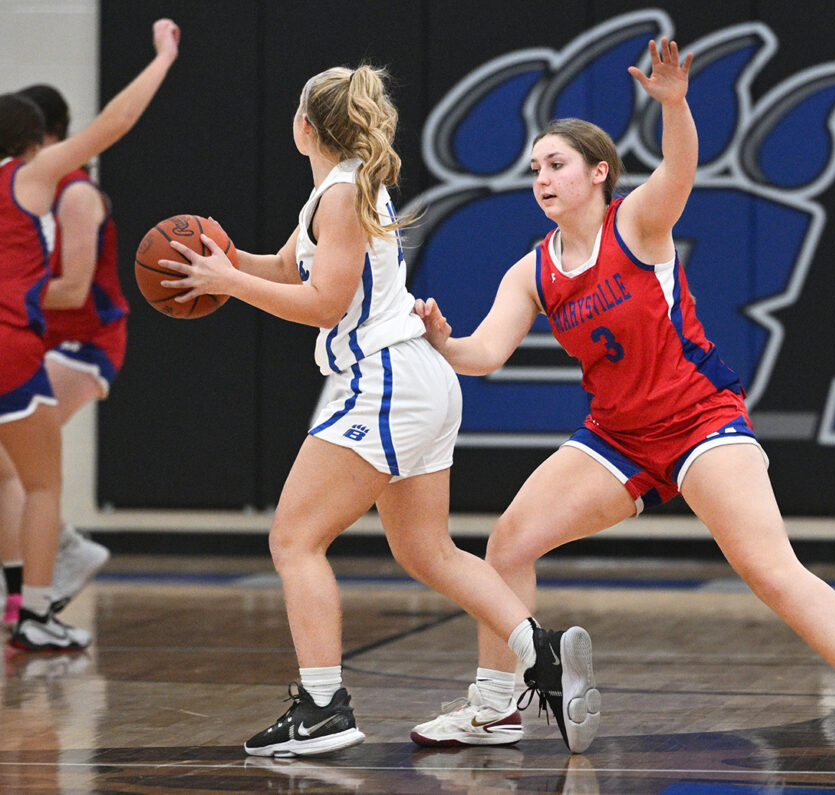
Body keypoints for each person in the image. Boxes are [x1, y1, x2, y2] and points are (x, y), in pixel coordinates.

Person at [409, 38, 835, 757]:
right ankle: (497, 706)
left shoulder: (639, 222)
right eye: (534, 169)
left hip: (699, 419)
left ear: (598, 173)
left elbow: (680, 167)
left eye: (556, 164)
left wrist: (675, 105)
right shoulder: (532, 272)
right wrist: (442, 338)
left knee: (767, 568)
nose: (542, 179)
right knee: (507, 542)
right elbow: (485, 355)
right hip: (615, 437)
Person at [155, 63, 600, 757]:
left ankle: (323, 706)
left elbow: (325, 304)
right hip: (413, 381)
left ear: (304, 127)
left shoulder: (341, 193)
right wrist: (225, 260)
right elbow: (286, 269)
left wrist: (227, 282)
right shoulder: (341, 190)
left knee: (293, 538)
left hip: (384, 380)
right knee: (424, 548)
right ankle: (538, 654)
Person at [0, 18, 180, 652]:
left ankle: (27, 590)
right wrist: (162, 57)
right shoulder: (33, 179)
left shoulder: (71, 195)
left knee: (8, 474)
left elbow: (75, 290)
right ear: (37, 144)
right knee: (39, 481)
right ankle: (37, 605)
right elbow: (116, 123)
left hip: (72, 343)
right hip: (18, 343)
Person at [0, 84, 119, 629]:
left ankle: (48, 576)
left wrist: (10, 288)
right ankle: (32, 583)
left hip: (84, 342)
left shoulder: (72, 193)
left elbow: (72, 291)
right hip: (31, 337)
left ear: (49, 141)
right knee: (10, 470)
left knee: (22, 470)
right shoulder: (21, 188)